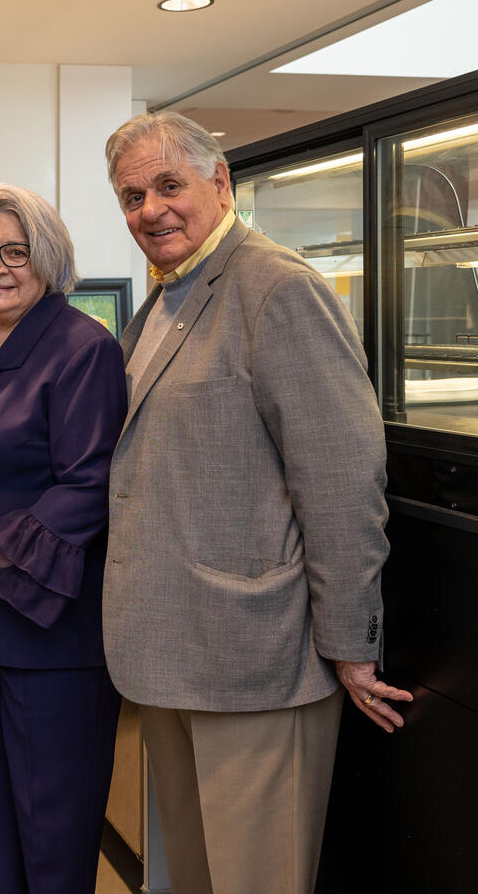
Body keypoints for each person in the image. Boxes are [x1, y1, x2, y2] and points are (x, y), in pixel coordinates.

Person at [101, 111, 414, 894]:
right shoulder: (165, 300)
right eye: (132, 196)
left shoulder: (277, 289)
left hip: (257, 659)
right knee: (200, 878)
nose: (150, 210)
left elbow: (342, 479)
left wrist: (351, 643)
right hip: (173, 656)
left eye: (168, 185)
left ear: (220, 182)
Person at [0, 184, 127, 894]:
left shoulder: (81, 348)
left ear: (48, 258)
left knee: (53, 829)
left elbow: (90, 484)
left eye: (16, 250)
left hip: (50, 628)